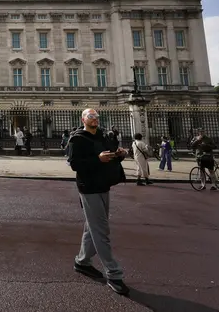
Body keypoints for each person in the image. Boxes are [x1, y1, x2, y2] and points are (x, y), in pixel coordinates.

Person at [68, 108, 130, 296]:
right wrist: (97, 159)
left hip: (104, 185)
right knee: (101, 229)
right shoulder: (77, 139)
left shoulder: (103, 136)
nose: (94, 119)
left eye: (96, 116)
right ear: (83, 119)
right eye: (90, 116)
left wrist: (118, 154)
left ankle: (82, 262)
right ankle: (114, 273)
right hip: (88, 188)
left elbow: (109, 155)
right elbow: (75, 165)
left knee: (91, 227)